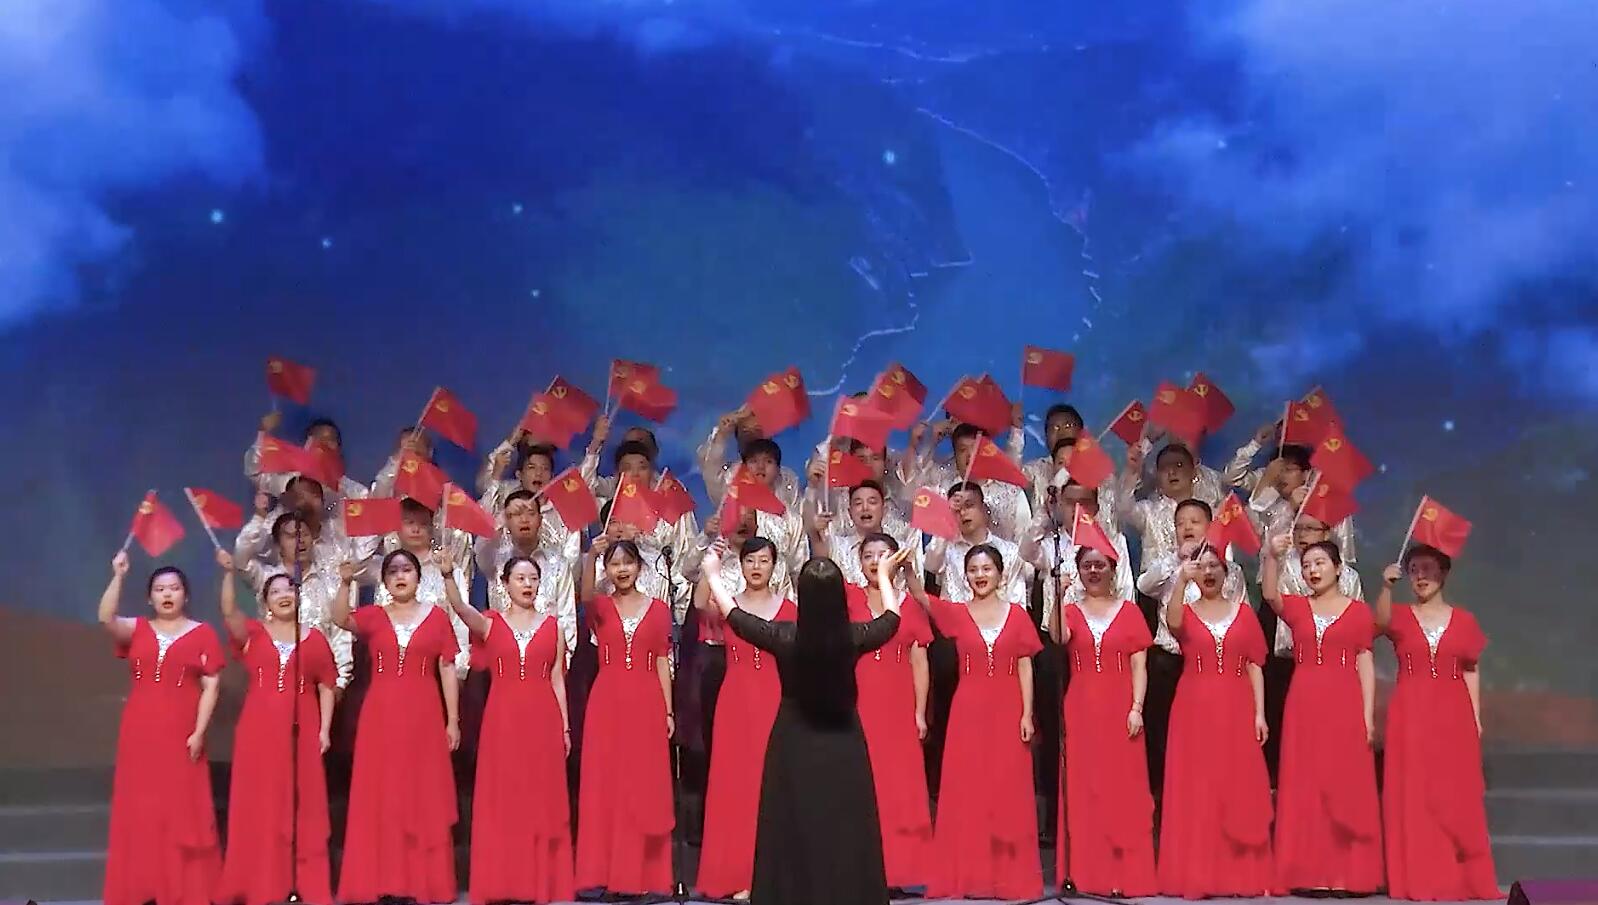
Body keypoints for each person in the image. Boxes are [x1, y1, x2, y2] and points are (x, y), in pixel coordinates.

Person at [699, 544, 905, 905]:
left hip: (793, 743)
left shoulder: (785, 636)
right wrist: (885, 576)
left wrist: (714, 575)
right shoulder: (853, 637)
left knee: (792, 822)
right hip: (844, 743)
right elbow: (891, 618)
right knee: (845, 823)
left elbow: (735, 616)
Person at [328, 550, 462, 904]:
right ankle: (382, 880)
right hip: (380, 717)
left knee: (421, 793)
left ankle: (421, 881)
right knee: (382, 793)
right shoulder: (374, 616)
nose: (400, 576)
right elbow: (339, 618)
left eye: (407, 570)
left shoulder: (437, 617)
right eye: (393, 572)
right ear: (385, 582)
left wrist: (452, 720)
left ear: (418, 577)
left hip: (424, 715)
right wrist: (345, 582)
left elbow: (448, 667)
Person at [443, 553, 574, 905]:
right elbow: (460, 608)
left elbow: (557, 679)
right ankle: (503, 881)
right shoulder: (491, 623)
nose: (528, 584)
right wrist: (449, 575)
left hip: (543, 720)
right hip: (502, 721)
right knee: (504, 798)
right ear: (505, 584)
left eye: (533, 578)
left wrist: (564, 727)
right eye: (520, 578)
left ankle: (537, 882)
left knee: (539, 799)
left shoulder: (554, 627)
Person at [98, 550, 226, 905]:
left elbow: (212, 686)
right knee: (141, 807)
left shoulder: (202, 633)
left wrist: (199, 732)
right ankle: (144, 887)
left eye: (174, 588)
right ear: (150, 597)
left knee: (180, 807)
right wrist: (118, 575)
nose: (167, 594)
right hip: (139, 730)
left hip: (182, 731)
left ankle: (182, 889)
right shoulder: (137, 628)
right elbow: (106, 617)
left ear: (185, 595)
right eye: (159, 589)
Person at [1375, 544, 1498, 900]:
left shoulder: (1465, 620)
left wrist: (1475, 717)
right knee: (1416, 793)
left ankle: (1461, 876)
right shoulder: (1399, 615)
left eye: (1428, 568)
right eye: (1414, 569)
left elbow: (1471, 669)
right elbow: (1377, 624)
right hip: (1410, 713)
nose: (1420, 576)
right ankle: (1420, 877)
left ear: (1443, 573)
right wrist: (1386, 587)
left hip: (1453, 713)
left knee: (1453, 794)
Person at [923, 544, 1044, 900]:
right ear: (965, 576)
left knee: (1007, 789)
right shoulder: (958, 613)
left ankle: (1008, 878)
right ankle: (971, 876)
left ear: (1000, 573)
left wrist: (1026, 713)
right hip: (969, 712)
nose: (980, 575)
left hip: (1008, 709)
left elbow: (1025, 665)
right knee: (969, 790)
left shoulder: (1017, 615)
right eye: (973, 570)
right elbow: (922, 599)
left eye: (986, 569)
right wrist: (910, 572)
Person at [1262, 536, 1381, 894]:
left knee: (1343, 782)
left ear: (1338, 569)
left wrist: (1367, 715)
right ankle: (1306, 873)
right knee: (1306, 782)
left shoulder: (1358, 612)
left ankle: (1346, 875)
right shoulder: (1298, 607)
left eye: (1320, 563)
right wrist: (1272, 556)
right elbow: (1270, 595)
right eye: (1307, 565)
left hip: (1344, 700)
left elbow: (1365, 661)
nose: (1313, 570)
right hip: (1304, 701)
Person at [216, 560, 337, 905]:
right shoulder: (253, 634)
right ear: (265, 601)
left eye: (290, 590)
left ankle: (301, 881)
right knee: (260, 802)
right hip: (258, 731)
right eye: (276, 591)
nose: (284, 595)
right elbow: (228, 611)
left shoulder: (314, 638)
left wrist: (325, 730)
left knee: (302, 803)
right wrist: (228, 574)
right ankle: (259, 880)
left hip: (303, 728)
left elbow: (327, 685)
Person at [1157, 547, 1273, 898]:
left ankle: (1238, 873)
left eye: (1214, 566)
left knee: (1235, 784)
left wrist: (1260, 713)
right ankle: (1199, 873)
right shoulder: (1187, 612)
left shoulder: (1244, 614)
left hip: (1237, 705)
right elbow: (1173, 624)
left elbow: (1255, 664)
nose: (1208, 572)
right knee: (1199, 787)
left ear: (1226, 572)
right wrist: (1181, 580)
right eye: (1202, 567)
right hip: (1194, 707)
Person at [1049, 545, 1157, 897]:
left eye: (1100, 565)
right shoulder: (1070, 611)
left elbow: (1140, 664)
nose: (1093, 571)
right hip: (1081, 708)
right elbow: (1058, 637)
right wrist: (1058, 594)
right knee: (1085, 788)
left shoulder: (1130, 612)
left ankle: (1123, 876)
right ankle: (1086, 874)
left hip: (1120, 706)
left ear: (1113, 569)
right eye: (1087, 565)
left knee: (1121, 787)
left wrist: (1137, 707)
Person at [695, 538, 796, 899]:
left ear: (774, 566)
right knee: (736, 787)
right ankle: (735, 874)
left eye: (764, 560)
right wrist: (711, 564)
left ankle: (775, 877)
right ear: (741, 566)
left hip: (776, 700)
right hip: (735, 704)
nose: (756, 567)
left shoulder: (790, 609)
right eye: (750, 560)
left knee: (772, 785)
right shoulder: (728, 604)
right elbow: (699, 604)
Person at [574, 538, 675, 896]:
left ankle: (642, 875)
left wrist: (668, 709)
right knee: (608, 786)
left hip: (646, 702)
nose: (622, 570)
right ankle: (606, 874)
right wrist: (591, 555)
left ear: (639, 567)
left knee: (642, 785)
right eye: (614, 564)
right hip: (607, 703)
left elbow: (661, 659)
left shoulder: (659, 609)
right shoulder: (601, 607)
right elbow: (585, 594)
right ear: (607, 570)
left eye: (627, 563)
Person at [846, 533, 934, 892]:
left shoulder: (909, 606)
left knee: (898, 787)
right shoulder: (849, 599)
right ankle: (857, 871)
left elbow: (919, 661)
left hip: (897, 708)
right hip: (857, 705)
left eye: (883, 555)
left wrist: (919, 712)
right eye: (868, 555)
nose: (875, 561)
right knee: (860, 785)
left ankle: (897, 873)